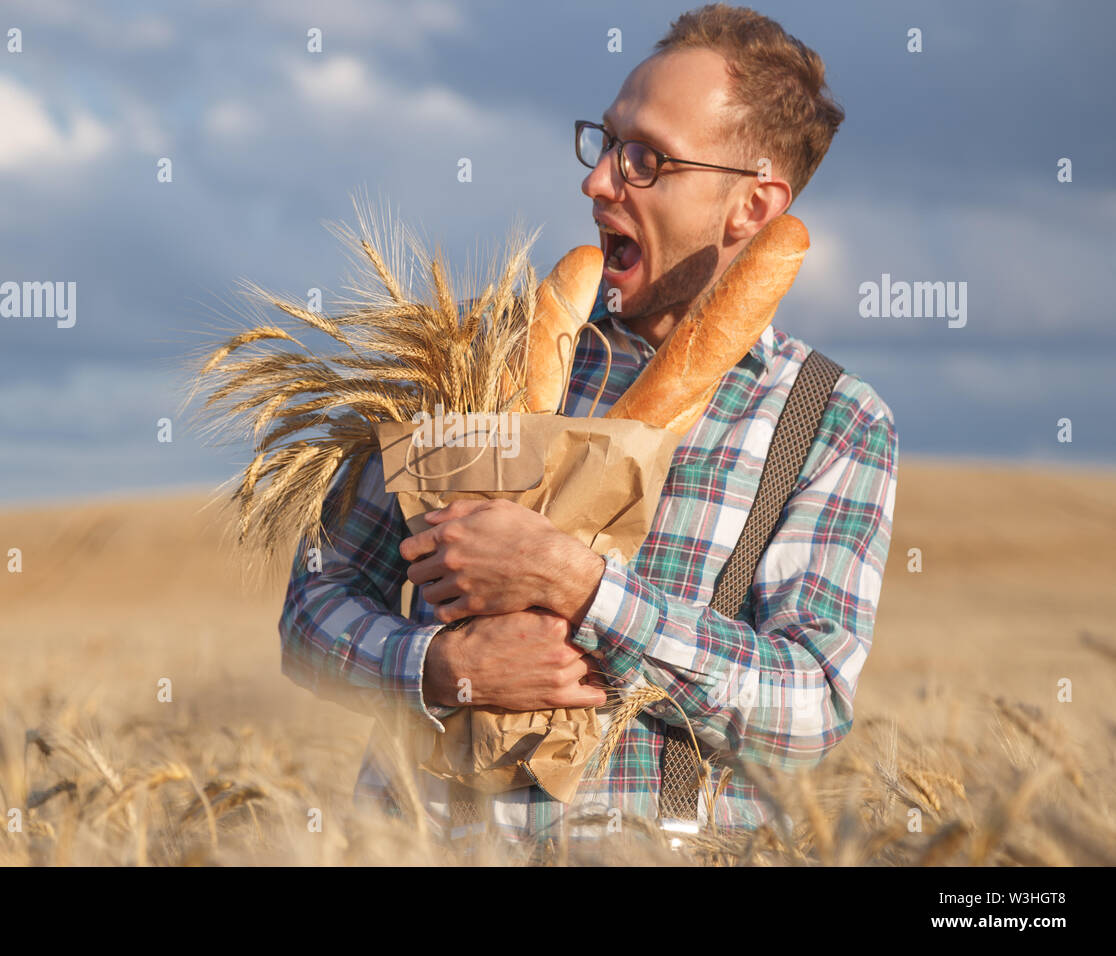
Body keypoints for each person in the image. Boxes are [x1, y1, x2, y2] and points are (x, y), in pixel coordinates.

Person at [278, 3, 898, 845]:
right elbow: (315, 606)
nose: (598, 180)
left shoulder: (830, 421)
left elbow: (808, 705)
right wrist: (438, 666)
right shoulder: (464, 358)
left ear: (750, 206)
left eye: (644, 158)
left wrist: (583, 589)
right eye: (603, 142)